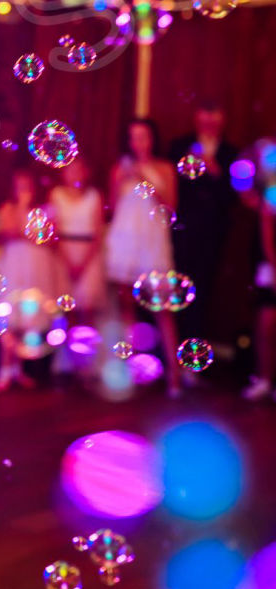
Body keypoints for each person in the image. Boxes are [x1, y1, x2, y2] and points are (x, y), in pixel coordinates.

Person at [106, 117, 182, 397]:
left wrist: (144, 179)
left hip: (152, 244)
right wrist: (121, 180)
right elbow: (112, 208)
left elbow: (170, 208)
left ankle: (174, 376)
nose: (138, 143)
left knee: (162, 310)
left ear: (152, 139)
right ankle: (133, 371)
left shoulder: (164, 168)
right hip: (125, 242)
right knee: (127, 308)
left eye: (143, 137)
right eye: (134, 137)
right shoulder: (120, 168)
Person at [0, 166, 67, 391]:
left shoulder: (45, 210)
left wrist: (30, 233)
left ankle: (19, 370)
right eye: (19, 186)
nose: (23, 190)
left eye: (27, 186)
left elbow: (50, 239)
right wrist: (24, 213)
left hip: (36, 266)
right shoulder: (9, 208)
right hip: (15, 265)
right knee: (9, 316)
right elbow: (10, 231)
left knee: (27, 316)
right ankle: (4, 369)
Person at [169, 101, 237, 342]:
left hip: (212, 233)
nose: (208, 124)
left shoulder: (231, 153)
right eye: (204, 119)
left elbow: (233, 197)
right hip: (182, 231)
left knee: (204, 290)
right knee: (176, 288)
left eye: (213, 119)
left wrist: (216, 171)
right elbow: (172, 187)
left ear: (222, 121)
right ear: (196, 119)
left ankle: (194, 346)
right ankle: (174, 347)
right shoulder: (179, 146)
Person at [48, 156, 105, 323]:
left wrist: (83, 263)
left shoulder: (94, 196)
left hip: (89, 253)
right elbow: (53, 230)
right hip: (64, 251)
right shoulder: (56, 195)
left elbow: (98, 232)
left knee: (88, 309)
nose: (75, 174)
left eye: (79, 170)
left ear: (86, 173)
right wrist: (67, 261)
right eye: (70, 170)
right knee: (66, 308)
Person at [243, 197, 276, 401]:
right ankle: (264, 380)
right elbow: (267, 237)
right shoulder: (272, 196)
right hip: (271, 270)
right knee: (267, 324)